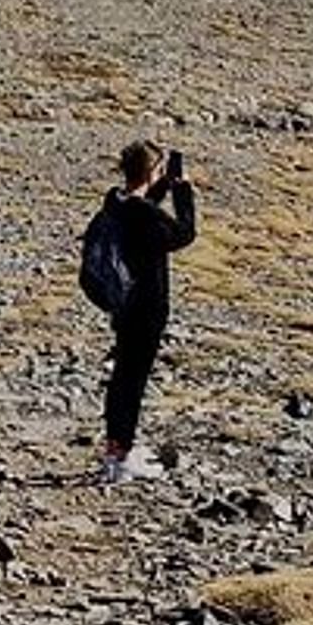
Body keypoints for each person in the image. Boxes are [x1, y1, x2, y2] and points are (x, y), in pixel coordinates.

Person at [97, 140, 196, 485]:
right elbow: (183, 234)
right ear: (150, 172)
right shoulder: (143, 215)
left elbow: (144, 211)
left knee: (122, 376)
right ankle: (121, 456)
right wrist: (183, 194)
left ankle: (114, 450)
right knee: (133, 381)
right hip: (147, 308)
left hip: (123, 305)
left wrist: (163, 186)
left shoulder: (116, 203)